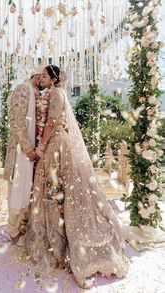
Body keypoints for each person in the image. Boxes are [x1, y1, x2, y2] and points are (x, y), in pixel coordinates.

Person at [24, 65, 129, 289]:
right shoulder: (57, 93)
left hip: (55, 145)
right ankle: (61, 237)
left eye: (44, 75)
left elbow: (51, 123)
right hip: (61, 142)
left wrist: (41, 148)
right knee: (58, 190)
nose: (41, 78)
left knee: (54, 189)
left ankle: (61, 242)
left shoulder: (55, 94)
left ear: (52, 79)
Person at [4, 67, 43, 246]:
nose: (44, 81)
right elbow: (17, 123)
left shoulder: (35, 93)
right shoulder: (22, 89)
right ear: (35, 76)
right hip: (21, 151)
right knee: (17, 191)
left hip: (32, 152)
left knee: (27, 192)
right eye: (42, 77)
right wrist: (28, 148)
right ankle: (12, 231)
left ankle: (23, 228)